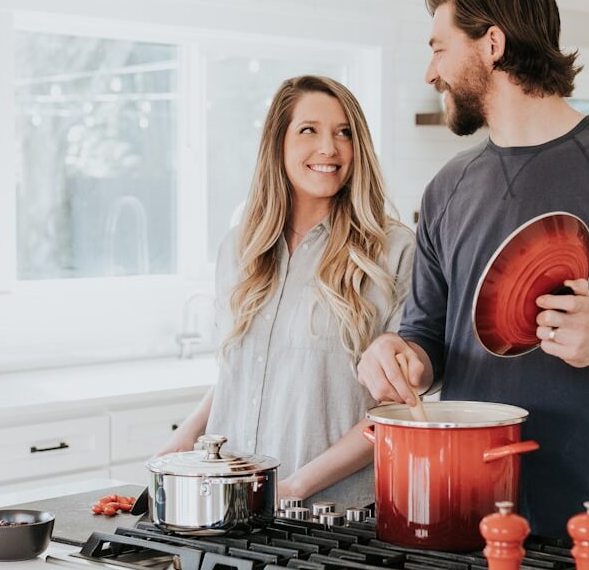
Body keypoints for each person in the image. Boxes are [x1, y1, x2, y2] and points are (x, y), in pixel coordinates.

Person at [356, 0, 589, 549]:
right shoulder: (448, 187)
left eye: (439, 48)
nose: (430, 72)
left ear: (492, 44)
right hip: (466, 501)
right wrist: (400, 357)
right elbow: (426, 336)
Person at [157, 75, 415, 509]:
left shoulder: (393, 251)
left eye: (344, 133)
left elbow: (397, 410)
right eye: (309, 130)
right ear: (278, 143)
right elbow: (242, 372)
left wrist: (292, 488)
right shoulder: (240, 247)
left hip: (335, 517)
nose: (329, 148)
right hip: (232, 508)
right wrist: (180, 445)